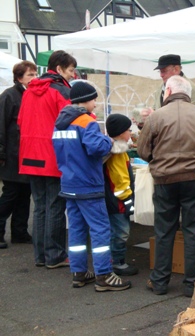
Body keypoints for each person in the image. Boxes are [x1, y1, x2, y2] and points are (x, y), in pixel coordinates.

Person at [137, 75, 195, 297]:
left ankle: (159, 282)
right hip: (194, 179)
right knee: (193, 230)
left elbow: (143, 151)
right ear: (188, 93)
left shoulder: (155, 118)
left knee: (164, 230)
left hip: (165, 180)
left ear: (167, 92)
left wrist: (159, 161)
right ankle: (192, 284)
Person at [52, 81, 131, 292]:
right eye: (94, 99)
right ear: (85, 100)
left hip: (69, 183)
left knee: (77, 231)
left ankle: (79, 272)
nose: (95, 104)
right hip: (88, 185)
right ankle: (104, 275)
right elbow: (97, 147)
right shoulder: (87, 121)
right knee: (100, 231)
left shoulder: (60, 122)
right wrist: (108, 142)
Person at [18, 50, 76, 268]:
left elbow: (21, 121)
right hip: (52, 155)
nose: (73, 74)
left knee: (40, 206)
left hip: (30, 155)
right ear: (60, 69)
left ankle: (41, 255)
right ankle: (55, 255)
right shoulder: (61, 91)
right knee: (54, 206)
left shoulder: (29, 91)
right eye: (71, 70)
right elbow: (71, 122)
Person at [0, 61, 38, 249]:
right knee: (10, 194)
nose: (33, 77)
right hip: (12, 155)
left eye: (35, 73)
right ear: (19, 77)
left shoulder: (32, 95)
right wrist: (1, 152)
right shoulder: (9, 96)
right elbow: (1, 125)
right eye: (29, 74)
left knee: (25, 194)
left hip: (27, 154)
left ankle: (19, 232)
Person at [103, 113, 139, 276]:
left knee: (117, 229)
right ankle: (117, 262)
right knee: (120, 231)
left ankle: (115, 260)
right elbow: (120, 178)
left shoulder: (120, 149)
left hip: (115, 197)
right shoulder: (117, 152)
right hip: (117, 199)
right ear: (120, 133)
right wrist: (127, 198)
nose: (130, 133)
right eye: (128, 130)